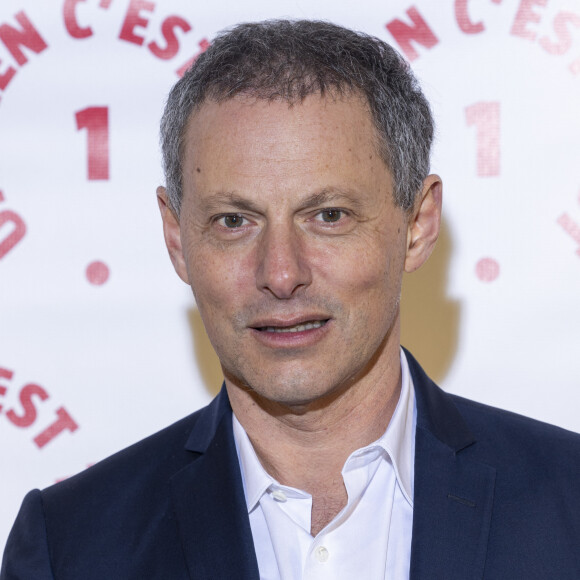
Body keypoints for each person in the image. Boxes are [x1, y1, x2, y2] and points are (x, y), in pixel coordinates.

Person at [2, 19, 580, 580]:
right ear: (177, 240)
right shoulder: (70, 547)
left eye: (328, 216)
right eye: (234, 221)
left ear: (418, 224)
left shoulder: (568, 504)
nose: (281, 273)